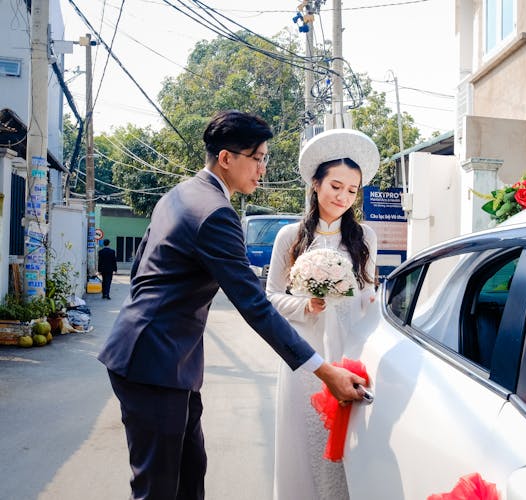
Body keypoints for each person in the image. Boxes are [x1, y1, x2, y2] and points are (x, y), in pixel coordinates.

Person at [97, 111, 366, 500]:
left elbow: (141, 268)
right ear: (226, 159)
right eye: (257, 158)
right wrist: (325, 371)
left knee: (190, 474)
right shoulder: (216, 213)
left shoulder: (181, 194)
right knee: (157, 488)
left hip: (167, 362)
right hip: (152, 364)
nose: (263, 169)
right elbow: (255, 304)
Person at [267, 128, 379, 500]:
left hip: (349, 351)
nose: (343, 197)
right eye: (335, 186)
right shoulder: (290, 236)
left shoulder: (364, 238)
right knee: (305, 441)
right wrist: (305, 304)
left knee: (348, 444)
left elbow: (366, 293)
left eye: (352, 190)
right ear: (315, 184)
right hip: (305, 354)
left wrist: (376, 305)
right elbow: (269, 298)